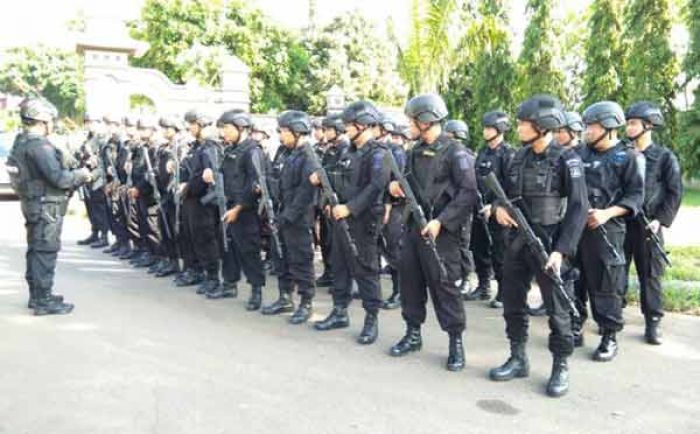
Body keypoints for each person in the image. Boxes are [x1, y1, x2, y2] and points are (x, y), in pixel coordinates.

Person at [488, 95, 587, 397]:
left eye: (523, 123)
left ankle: (560, 366)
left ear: (542, 126)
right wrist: (497, 209)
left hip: (551, 246)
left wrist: (561, 250)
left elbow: (579, 208)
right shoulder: (516, 157)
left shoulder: (567, 159)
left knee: (558, 312)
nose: (517, 128)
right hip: (516, 244)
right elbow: (499, 193)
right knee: (513, 303)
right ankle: (518, 358)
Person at [388, 94, 477, 371]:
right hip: (414, 228)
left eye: (412, 120)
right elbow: (403, 183)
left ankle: (455, 342)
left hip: (442, 234)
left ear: (426, 121)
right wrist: (394, 189)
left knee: (444, 286)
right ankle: (413, 333)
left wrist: (442, 221)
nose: (409, 126)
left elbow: (468, 193)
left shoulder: (456, 152)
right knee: (410, 283)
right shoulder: (413, 151)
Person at [314, 100, 390, 345]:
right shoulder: (348, 151)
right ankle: (339, 311)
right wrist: (329, 199)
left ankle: (371, 318)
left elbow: (376, 186)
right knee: (339, 265)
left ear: (363, 125)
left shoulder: (378, 153)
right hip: (339, 218)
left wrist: (350, 208)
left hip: (363, 221)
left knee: (366, 269)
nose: (346, 129)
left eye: (349, 125)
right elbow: (337, 178)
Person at [8, 98, 91, 314]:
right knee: (45, 250)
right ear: (42, 120)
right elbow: (59, 178)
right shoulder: (40, 147)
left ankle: (38, 295)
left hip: (34, 204)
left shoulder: (21, 142)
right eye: (51, 120)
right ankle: (43, 300)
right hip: (47, 206)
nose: (53, 124)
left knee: (36, 249)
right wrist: (82, 174)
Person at [578, 101, 644, 361]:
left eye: (592, 126)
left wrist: (606, 213)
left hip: (607, 230)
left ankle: (609, 335)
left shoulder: (628, 158)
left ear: (608, 127)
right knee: (574, 279)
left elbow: (636, 197)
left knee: (606, 282)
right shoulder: (580, 154)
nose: (587, 131)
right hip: (576, 228)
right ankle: (574, 326)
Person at [623, 101, 682, 345]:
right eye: (627, 123)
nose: (628, 128)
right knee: (614, 271)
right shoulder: (622, 154)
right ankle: (612, 317)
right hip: (622, 222)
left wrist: (660, 220)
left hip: (649, 226)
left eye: (633, 123)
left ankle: (652, 322)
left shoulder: (664, 157)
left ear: (648, 126)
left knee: (650, 275)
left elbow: (674, 191)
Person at [262, 110, 319, 323]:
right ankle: (285, 297)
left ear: (297, 131)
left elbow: (305, 193)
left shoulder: (309, 156)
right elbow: (279, 181)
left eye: (283, 131)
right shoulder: (286, 153)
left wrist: (287, 216)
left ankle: (306, 302)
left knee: (301, 260)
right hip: (283, 214)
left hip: (298, 218)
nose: (280, 135)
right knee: (281, 257)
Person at [212, 109, 267, 305]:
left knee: (249, 250)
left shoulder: (253, 151)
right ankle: (229, 284)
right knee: (228, 248)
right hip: (227, 206)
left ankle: (256, 291)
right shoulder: (231, 150)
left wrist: (238, 208)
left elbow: (255, 185)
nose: (223, 132)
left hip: (245, 210)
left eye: (227, 128)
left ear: (240, 127)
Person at [468, 111, 514, 308]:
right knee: (479, 248)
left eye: (489, 128)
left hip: (499, 212)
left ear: (500, 130)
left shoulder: (508, 154)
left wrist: (495, 206)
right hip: (479, 209)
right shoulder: (483, 152)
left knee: (500, 253)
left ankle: (504, 292)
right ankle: (484, 285)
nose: (485, 131)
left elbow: (510, 186)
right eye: (485, 128)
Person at [443, 119, 475, 300]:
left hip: (462, 206)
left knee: (463, 244)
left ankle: (466, 279)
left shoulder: (464, 156)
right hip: (451, 206)